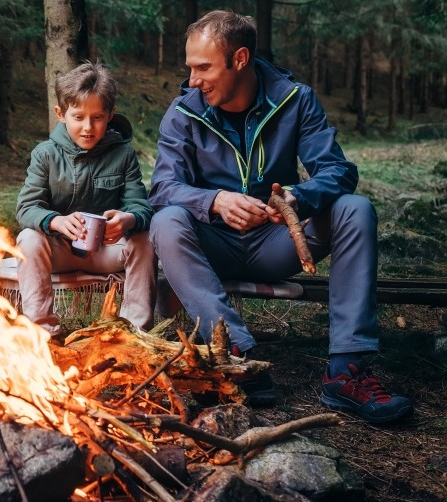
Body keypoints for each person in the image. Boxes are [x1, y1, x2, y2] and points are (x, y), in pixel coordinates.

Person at [148, 10, 413, 423]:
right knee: (166, 221)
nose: (193, 80)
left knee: (355, 210)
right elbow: (162, 189)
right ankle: (236, 354)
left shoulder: (295, 99)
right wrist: (215, 200)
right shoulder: (184, 112)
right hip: (210, 246)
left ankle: (347, 371)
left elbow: (338, 171)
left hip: (278, 243)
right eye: (190, 68)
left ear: (239, 59)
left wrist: (296, 197)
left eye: (204, 67)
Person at [15, 61, 157, 341]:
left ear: (110, 115)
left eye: (97, 117)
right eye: (78, 117)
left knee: (145, 239)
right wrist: (55, 221)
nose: (88, 128)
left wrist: (128, 219)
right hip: (61, 251)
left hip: (107, 250)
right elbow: (26, 208)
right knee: (28, 238)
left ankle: (134, 334)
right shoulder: (45, 154)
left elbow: (141, 207)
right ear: (61, 114)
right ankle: (43, 333)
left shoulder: (123, 155)